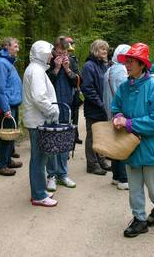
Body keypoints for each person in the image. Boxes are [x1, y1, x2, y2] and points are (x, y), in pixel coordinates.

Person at [112, 43, 154, 238]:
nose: (126, 65)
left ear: (142, 64)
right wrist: (117, 115)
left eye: (130, 61)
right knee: (134, 185)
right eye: (126, 61)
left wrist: (128, 123)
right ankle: (139, 219)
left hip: (151, 146)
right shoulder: (124, 87)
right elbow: (115, 106)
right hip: (130, 146)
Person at [23, 40, 60, 207]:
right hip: (39, 121)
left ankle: (40, 191)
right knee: (39, 159)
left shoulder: (35, 69)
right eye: (50, 53)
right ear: (42, 53)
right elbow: (39, 97)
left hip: (38, 120)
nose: (52, 56)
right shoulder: (36, 71)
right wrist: (52, 111)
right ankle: (38, 195)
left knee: (40, 158)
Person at [45, 36, 78, 191]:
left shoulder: (71, 61)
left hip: (67, 106)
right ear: (54, 51)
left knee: (64, 142)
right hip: (51, 107)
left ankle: (63, 174)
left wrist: (67, 69)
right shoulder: (47, 62)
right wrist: (56, 69)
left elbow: (77, 81)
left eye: (64, 52)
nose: (62, 55)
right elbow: (45, 83)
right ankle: (51, 175)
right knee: (52, 142)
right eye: (59, 52)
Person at [0, 37, 23, 176]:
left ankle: (7, 160)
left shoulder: (8, 63)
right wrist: (5, 109)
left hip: (13, 104)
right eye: (15, 46)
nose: (18, 49)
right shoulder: (1, 64)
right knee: (5, 137)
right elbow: (0, 89)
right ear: (6, 47)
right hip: (8, 106)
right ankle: (0, 165)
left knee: (11, 136)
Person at [81, 39, 111, 176]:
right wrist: (101, 104)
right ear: (95, 50)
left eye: (105, 49)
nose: (105, 51)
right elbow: (87, 89)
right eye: (101, 49)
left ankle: (101, 160)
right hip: (94, 108)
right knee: (92, 136)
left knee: (102, 135)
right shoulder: (89, 66)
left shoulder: (104, 65)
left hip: (104, 107)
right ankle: (91, 164)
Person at [103, 44, 130, 189]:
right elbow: (125, 93)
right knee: (122, 145)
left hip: (110, 111)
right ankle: (123, 179)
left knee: (115, 143)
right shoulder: (121, 71)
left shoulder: (109, 70)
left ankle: (116, 176)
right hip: (120, 112)